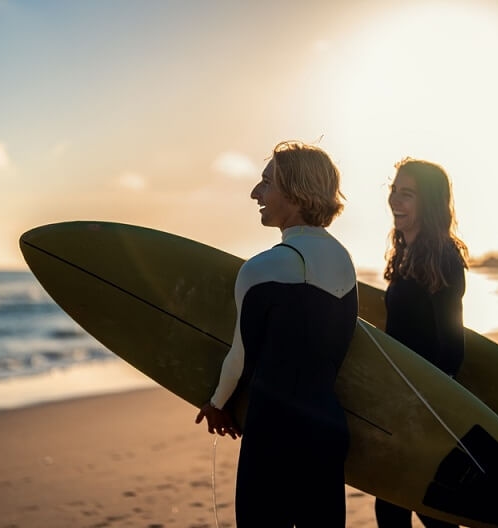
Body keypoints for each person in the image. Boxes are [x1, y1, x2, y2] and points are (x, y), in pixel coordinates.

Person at [195, 140, 358, 528]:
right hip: (328, 432)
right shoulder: (345, 264)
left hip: (274, 435)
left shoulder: (262, 269)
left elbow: (241, 357)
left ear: (297, 194)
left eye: (266, 183)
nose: (256, 193)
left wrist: (218, 403)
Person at [374, 158, 468, 528]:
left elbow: (451, 345)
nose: (395, 200)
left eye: (407, 193)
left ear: (428, 202)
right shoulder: (406, 255)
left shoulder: (443, 257)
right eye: (394, 190)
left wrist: (426, 409)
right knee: (395, 507)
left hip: (422, 406)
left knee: (429, 511)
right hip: (399, 401)